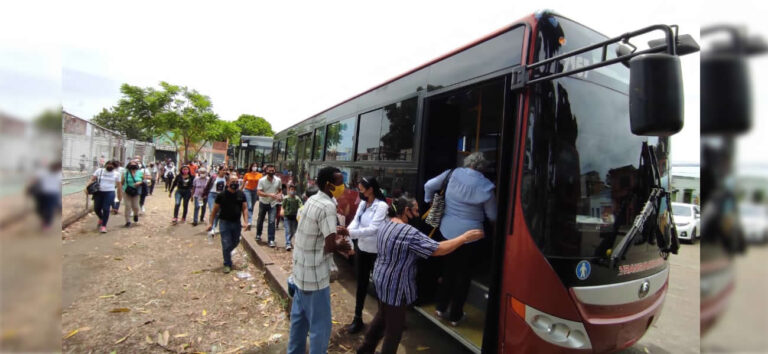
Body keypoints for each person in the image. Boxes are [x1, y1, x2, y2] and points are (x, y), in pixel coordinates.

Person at [356, 197, 483, 354]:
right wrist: (464, 238)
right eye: (415, 210)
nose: (418, 214)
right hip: (396, 286)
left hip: (381, 279)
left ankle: (364, 349)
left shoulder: (385, 224)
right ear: (406, 211)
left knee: (382, 317)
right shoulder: (408, 232)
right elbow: (438, 249)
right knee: (394, 332)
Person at [423, 151, 497, 326]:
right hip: (471, 237)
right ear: (483, 168)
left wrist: (429, 202)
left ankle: (440, 307)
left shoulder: (452, 173)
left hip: (447, 231)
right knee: (463, 275)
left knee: (448, 270)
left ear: (467, 162)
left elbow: (428, 185)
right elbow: (493, 215)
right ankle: (455, 315)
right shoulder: (487, 186)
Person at [288, 166, 352, 354]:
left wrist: (333, 230)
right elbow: (330, 246)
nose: (343, 186)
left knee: (298, 323)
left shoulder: (313, 200)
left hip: (300, 274)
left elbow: (314, 230)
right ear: (328, 184)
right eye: (340, 182)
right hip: (315, 279)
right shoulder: (328, 206)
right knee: (320, 328)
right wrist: (344, 246)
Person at [337, 177, 388, 334]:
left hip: (377, 252)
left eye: (361, 189)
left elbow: (374, 229)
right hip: (363, 249)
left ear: (371, 189)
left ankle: (384, 320)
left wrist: (350, 232)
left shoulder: (382, 206)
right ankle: (357, 319)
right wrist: (347, 234)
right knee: (361, 285)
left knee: (380, 286)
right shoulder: (364, 205)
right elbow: (355, 222)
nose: (359, 192)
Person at [207, 175, 249, 273]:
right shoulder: (221, 195)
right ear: (228, 183)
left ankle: (226, 252)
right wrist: (210, 224)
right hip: (224, 223)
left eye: (236, 181)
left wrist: (246, 222)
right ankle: (227, 263)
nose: (235, 183)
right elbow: (214, 211)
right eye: (232, 181)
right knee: (226, 243)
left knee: (236, 241)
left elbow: (245, 208)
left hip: (236, 223)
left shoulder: (241, 194)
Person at [87, 160, 122, 233]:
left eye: (112, 165)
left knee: (106, 208)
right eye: (108, 164)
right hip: (99, 192)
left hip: (109, 192)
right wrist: (86, 187)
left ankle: (103, 226)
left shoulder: (117, 174)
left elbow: (119, 185)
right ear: (105, 165)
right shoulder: (99, 171)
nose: (110, 166)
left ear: (115, 167)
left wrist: (119, 195)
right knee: (97, 208)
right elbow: (92, 179)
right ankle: (101, 218)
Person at [30, 161, 62, 231]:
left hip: (53, 194)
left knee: (49, 209)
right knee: (39, 209)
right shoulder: (43, 172)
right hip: (41, 193)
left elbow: (59, 185)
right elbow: (35, 180)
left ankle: (47, 224)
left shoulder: (59, 174)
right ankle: (44, 219)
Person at [256, 164, 281, 247]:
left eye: (272, 170)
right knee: (260, 219)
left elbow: (280, 190)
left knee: (271, 221)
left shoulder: (278, 180)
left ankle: (271, 239)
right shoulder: (262, 180)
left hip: (273, 204)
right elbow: (259, 192)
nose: (271, 172)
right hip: (263, 202)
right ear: (266, 171)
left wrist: (279, 196)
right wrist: (269, 195)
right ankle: (258, 234)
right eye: (269, 171)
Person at [205, 167, 229, 237]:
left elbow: (228, 187)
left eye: (225, 170)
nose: (224, 171)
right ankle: (211, 227)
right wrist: (204, 194)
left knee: (218, 213)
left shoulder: (227, 178)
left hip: (221, 196)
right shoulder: (213, 176)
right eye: (223, 170)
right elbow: (207, 186)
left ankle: (214, 227)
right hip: (212, 195)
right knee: (212, 210)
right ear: (219, 170)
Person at [122, 160, 144, 227]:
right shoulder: (125, 173)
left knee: (136, 206)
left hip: (135, 191)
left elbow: (144, 180)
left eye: (134, 164)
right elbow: (122, 181)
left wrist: (139, 183)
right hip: (127, 191)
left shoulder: (140, 172)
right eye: (131, 164)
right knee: (127, 206)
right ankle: (127, 221)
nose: (133, 166)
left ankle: (136, 214)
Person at [281, 184, 302, 251]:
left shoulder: (297, 198)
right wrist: (282, 211)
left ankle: (289, 241)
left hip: (294, 217)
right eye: (291, 189)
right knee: (288, 230)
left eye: (294, 190)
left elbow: (301, 206)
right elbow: (283, 206)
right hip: (287, 216)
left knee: (293, 231)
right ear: (289, 190)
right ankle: (288, 244)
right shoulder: (286, 198)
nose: (293, 191)